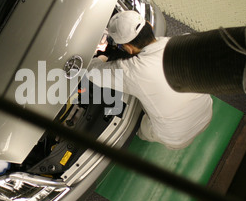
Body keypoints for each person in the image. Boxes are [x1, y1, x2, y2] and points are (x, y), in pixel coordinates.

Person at [89, 10, 213, 150]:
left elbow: (93, 73)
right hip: (206, 114)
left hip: (177, 138)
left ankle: (143, 134)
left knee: (144, 130)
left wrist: (100, 57)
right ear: (149, 25)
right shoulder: (184, 42)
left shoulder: (134, 70)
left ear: (128, 49)